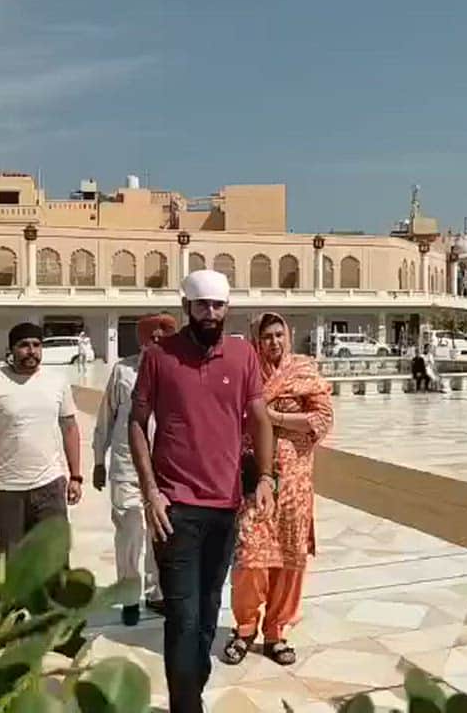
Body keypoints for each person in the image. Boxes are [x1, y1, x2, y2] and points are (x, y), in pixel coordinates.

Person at [129, 270, 275, 713]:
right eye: (201, 305)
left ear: (227, 307)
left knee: (209, 615)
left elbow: (258, 416)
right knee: (184, 618)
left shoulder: (242, 355)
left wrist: (265, 476)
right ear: (186, 306)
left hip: (225, 507)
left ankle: (190, 696)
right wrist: (151, 491)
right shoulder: (159, 357)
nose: (209, 313)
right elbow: (137, 423)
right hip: (174, 508)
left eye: (217, 305)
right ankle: (186, 708)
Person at [222, 312, 333, 668]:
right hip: (256, 480)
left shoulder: (303, 371)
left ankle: (276, 631)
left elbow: (321, 420)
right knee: (250, 557)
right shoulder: (247, 373)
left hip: (296, 484)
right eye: (267, 336)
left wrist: (274, 418)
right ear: (257, 340)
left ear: (289, 336)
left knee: (289, 558)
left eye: (279, 335)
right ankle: (244, 627)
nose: (274, 342)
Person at [0, 322, 83, 556]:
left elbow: (69, 427)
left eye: (37, 345)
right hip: (5, 491)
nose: (31, 351)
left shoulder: (57, 382)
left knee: (54, 560)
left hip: (50, 486)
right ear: (11, 350)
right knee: (12, 563)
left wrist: (76, 476)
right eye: (24, 345)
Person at [93, 314, 177, 626]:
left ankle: (156, 593)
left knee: (160, 530)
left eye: (162, 336)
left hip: (165, 469)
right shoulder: (123, 371)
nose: (156, 341)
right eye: (151, 336)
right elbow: (106, 417)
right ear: (141, 339)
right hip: (127, 466)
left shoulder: (176, 371)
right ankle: (128, 595)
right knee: (129, 530)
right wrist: (99, 460)